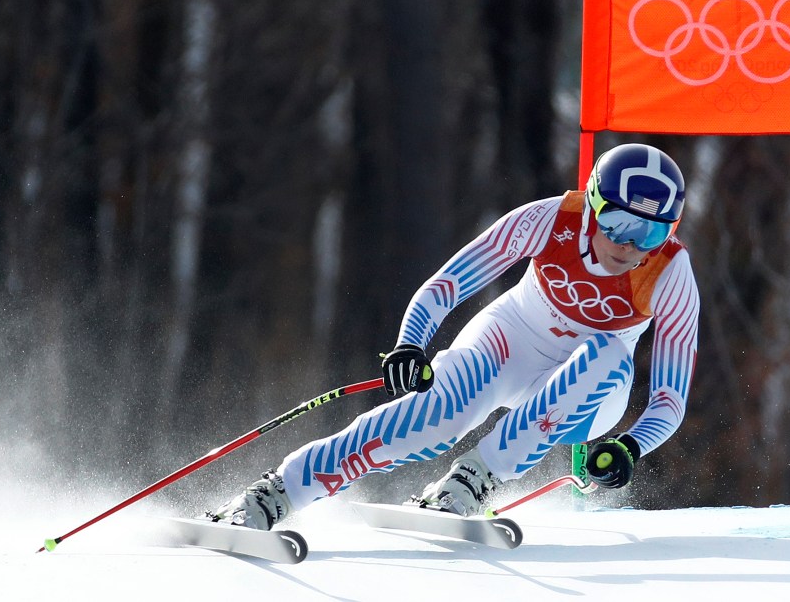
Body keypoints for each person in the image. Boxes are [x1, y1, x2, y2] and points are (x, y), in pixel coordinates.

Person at [210, 143, 699, 529]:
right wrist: (411, 343)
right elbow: (448, 283)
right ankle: (276, 493)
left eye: (650, 234)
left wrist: (631, 447)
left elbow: (670, 399)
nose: (628, 244)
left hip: (591, 392)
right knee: (435, 417)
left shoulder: (671, 273)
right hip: (513, 339)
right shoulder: (551, 219)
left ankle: (472, 480)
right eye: (616, 222)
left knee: (607, 353)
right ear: (593, 204)